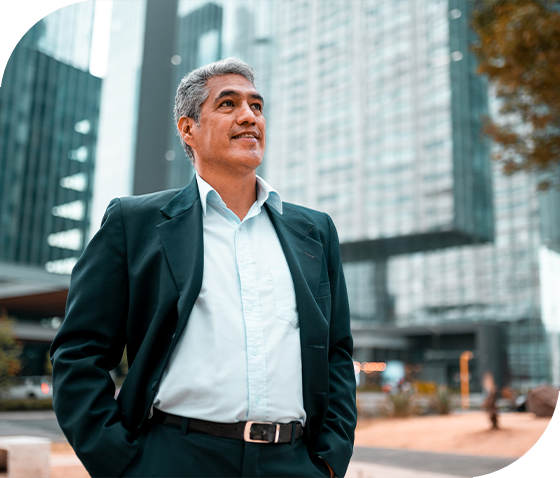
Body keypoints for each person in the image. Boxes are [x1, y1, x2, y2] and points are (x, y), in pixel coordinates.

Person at [51, 58, 356, 478]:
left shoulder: (315, 231)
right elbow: (79, 352)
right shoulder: (134, 223)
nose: (249, 116)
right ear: (188, 129)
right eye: (228, 104)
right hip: (174, 460)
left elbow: (336, 351)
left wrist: (329, 459)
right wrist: (121, 464)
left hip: (294, 462)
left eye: (257, 106)